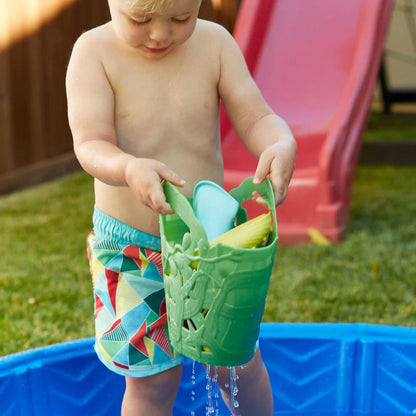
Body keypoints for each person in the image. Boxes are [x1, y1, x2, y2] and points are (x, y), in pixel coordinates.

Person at [66, 0, 297, 414]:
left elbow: (255, 115)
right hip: (133, 251)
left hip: (210, 247)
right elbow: (89, 143)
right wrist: (127, 166)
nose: (160, 34)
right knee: (153, 381)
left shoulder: (215, 44)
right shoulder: (93, 53)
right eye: (140, 20)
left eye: (180, 18)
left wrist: (278, 142)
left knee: (237, 365)